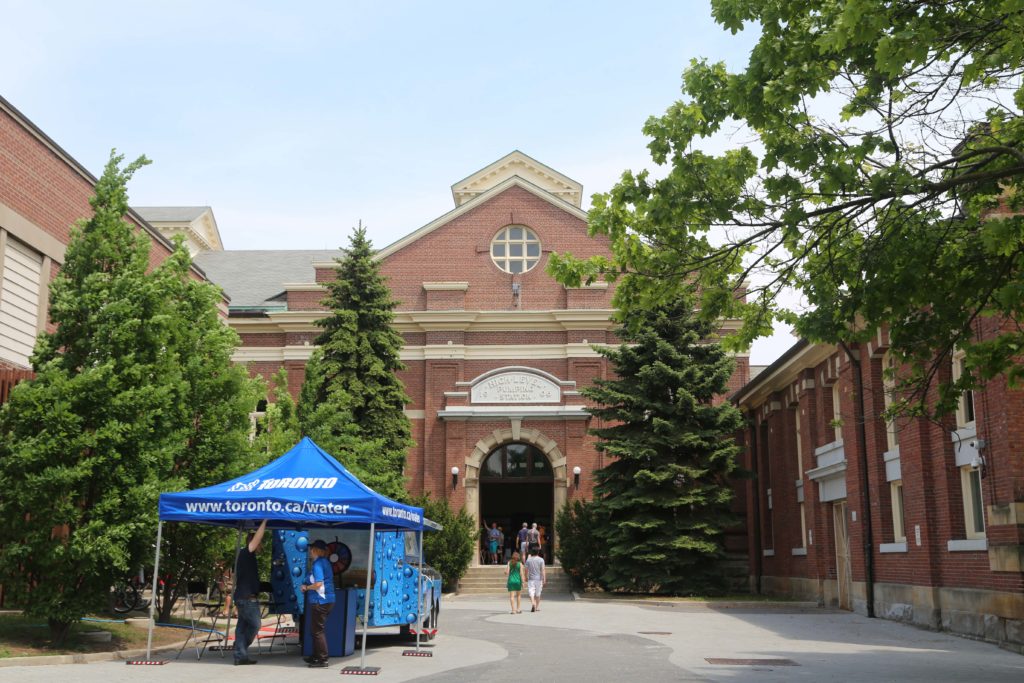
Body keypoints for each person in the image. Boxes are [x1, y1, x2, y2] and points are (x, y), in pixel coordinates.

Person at [233, 519, 268, 666]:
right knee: (255, 625)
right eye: (260, 543)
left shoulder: (246, 555)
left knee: (241, 627)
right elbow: (257, 537)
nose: (262, 546)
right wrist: (265, 521)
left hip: (242, 597)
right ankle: (240, 650)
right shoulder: (247, 552)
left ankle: (240, 656)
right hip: (247, 598)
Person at [301, 539, 336, 668]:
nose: (309, 551)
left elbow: (319, 584)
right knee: (315, 630)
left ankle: (322, 659)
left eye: (311, 549)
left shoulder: (318, 565)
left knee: (317, 631)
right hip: (327, 600)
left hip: (320, 601)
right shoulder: (324, 562)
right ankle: (316, 656)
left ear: (316, 550)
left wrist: (306, 587)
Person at [525, 546, 546, 612]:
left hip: (531, 578)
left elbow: (526, 569)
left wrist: (526, 576)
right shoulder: (541, 560)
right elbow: (542, 570)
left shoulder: (528, 560)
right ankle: (536, 607)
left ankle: (533, 603)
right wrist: (544, 579)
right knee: (538, 593)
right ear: (538, 552)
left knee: (531, 592)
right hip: (539, 579)